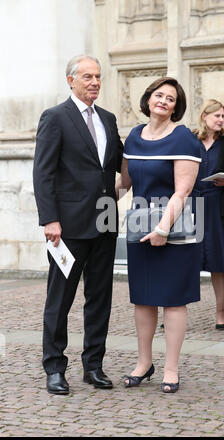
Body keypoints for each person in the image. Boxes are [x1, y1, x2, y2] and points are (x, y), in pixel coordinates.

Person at [33, 55, 123, 394]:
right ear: (70, 80)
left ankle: (94, 366)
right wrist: (50, 219)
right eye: (87, 76)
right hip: (66, 227)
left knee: (99, 298)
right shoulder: (55, 117)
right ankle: (55, 367)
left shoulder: (109, 119)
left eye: (98, 77)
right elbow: (43, 172)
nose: (95, 82)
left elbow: (120, 161)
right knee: (60, 299)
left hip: (105, 219)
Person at [116, 77, 201, 393]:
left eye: (171, 98)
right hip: (139, 226)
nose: (164, 100)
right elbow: (123, 184)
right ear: (148, 98)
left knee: (174, 301)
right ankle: (144, 363)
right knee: (143, 298)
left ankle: (171, 368)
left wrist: (163, 229)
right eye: (159, 95)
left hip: (174, 228)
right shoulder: (134, 137)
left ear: (176, 107)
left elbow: (184, 189)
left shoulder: (184, 139)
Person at [193, 99, 224, 330]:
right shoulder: (191, 141)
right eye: (217, 116)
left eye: (223, 116)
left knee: (219, 262)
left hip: (221, 207)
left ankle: (220, 313)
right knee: (184, 259)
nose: (221, 120)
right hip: (193, 206)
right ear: (205, 116)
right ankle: (174, 309)